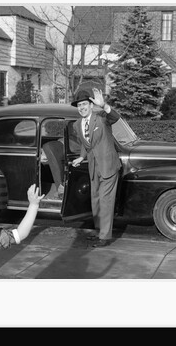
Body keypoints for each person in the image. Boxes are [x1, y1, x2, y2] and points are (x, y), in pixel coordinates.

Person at [71, 88, 121, 247]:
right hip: (93, 167)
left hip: (108, 166)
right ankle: (99, 231)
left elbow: (115, 117)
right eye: (79, 105)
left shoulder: (101, 119)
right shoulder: (77, 124)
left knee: (106, 201)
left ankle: (105, 237)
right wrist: (81, 156)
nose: (82, 108)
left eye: (85, 104)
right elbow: (87, 144)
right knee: (96, 201)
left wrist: (104, 104)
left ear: (91, 105)